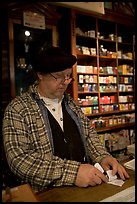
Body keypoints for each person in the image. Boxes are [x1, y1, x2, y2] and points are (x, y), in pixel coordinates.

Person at [2, 46, 129, 192]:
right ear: (40, 75)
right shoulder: (18, 109)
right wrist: (73, 173)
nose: (65, 82)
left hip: (85, 190)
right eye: (58, 76)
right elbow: (19, 160)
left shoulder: (71, 103)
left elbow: (89, 136)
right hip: (45, 194)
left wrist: (102, 157)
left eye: (68, 75)